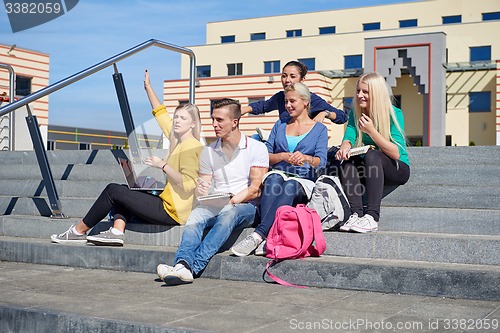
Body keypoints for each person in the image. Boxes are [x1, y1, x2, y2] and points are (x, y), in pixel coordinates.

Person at [50, 70, 203, 246]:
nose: (177, 121)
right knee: (125, 191)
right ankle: (116, 231)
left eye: (183, 118)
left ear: (193, 123)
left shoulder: (191, 147)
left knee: (113, 190)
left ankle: (78, 231)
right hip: (167, 203)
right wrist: (148, 88)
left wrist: (162, 165)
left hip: (173, 211)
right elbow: (161, 115)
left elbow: (189, 183)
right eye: (176, 116)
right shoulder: (178, 139)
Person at [157, 98, 269, 285]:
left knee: (228, 212)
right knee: (196, 215)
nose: (214, 125)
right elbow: (204, 186)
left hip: (246, 206)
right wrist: (202, 190)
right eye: (212, 119)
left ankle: (193, 267)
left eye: (219, 120)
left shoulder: (256, 148)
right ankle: (182, 264)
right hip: (217, 202)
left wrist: (231, 202)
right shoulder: (208, 151)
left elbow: (255, 189)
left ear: (235, 122)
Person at [231, 82, 328, 256]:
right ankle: (269, 236)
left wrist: (306, 158)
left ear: (305, 102)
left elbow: (321, 162)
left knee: (290, 185)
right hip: (277, 174)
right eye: (286, 101)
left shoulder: (319, 129)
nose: (288, 105)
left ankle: (259, 234)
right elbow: (265, 155)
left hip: (303, 180)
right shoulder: (280, 124)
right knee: (275, 179)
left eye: (292, 101)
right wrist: (282, 156)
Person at [335, 72, 410, 233]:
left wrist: (372, 132)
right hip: (372, 168)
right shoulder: (356, 113)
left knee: (372, 155)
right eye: (358, 91)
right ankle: (356, 213)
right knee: (348, 161)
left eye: (365, 92)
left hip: (397, 168)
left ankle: (372, 217)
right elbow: (349, 135)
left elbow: (396, 153)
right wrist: (345, 147)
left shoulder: (394, 113)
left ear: (376, 93)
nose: (360, 95)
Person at [241, 60, 347, 126]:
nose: (287, 80)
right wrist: (243, 109)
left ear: (302, 80)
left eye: (292, 76)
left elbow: (342, 116)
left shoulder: (311, 99)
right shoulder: (280, 97)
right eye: (284, 76)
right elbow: (263, 106)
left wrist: (325, 113)